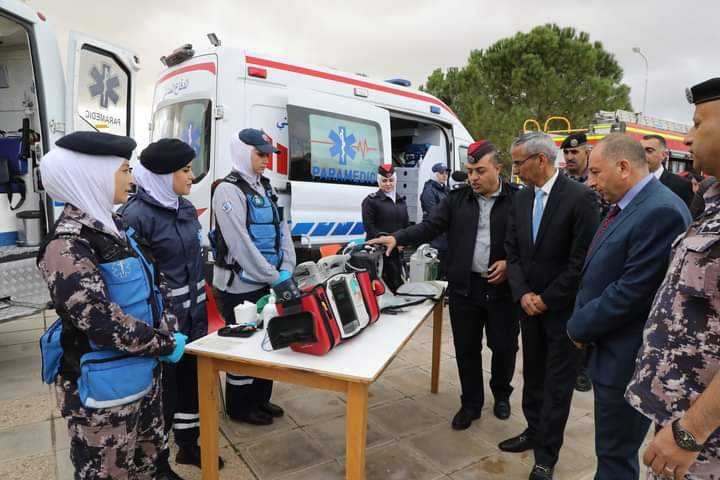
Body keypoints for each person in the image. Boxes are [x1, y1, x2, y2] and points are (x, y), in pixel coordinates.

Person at [37, 131, 186, 480]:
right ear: (93, 175)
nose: (131, 180)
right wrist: (163, 344)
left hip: (143, 375)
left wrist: (168, 325)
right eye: (124, 171)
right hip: (103, 396)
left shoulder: (116, 227)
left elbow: (154, 282)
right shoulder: (67, 244)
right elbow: (99, 320)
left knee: (149, 464)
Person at [369, 139, 519, 429]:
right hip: (465, 288)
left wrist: (511, 265)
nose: (473, 177)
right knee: (466, 349)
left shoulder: (517, 199)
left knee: (504, 348)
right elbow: (429, 227)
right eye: (470, 171)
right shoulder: (457, 199)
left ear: (498, 169)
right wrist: (397, 238)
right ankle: (471, 404)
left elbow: (529, 242)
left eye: (480, 171)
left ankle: (501, 394)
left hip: (502, 290)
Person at [566, 134, 691, 479]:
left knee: (615, 457)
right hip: (610, 352)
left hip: (626, 361)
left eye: (596, 172)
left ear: (623, 167)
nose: (590, 182)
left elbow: (632, 292)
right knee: (610, 452)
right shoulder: (633, 204)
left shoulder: (661, 211)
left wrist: (578, 326)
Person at [626, 77, 720, 480]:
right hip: (680, 418)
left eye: (698, 123)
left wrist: (692, 430)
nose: (688, 137)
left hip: (703, 441)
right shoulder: (713, 203)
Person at [501, 131, 600, 480]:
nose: (514, 170)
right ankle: (533, 430)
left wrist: (546, 298)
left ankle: (546, 455)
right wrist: (523, 293)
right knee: (533, 375)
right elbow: (512, 251)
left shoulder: (581, 198)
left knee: (557, 386)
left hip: (562, 312)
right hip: (528, 308)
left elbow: (580, 261)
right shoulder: (521, 198)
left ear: (540, 160)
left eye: (518, 163)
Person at [120, 139, 224, 470]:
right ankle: (157, 462)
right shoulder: (136, 216)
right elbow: (135, 280)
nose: (191, 176)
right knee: (164, 395)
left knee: (192, 386)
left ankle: (188, 445)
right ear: (164, 175)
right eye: (185, 170)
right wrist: (158, 328)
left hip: (195, 319)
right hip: (163, 326)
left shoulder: (185, 208)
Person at [211, 128, 295, 425]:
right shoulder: (227, 190)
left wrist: (287, 267)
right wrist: (274, 276)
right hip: (239, 287)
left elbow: (283, 230)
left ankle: (260, 399)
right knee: (244, 346)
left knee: (268, 340)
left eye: (267, 155)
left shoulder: (267, 188)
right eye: (260, 154)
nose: (266, 160)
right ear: (242, 152)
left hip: (268, 281)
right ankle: (239, 407)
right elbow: (240, 244)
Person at [560, 132, 603, 393]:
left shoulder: (600, 183)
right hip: (567, 262)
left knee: (588, 314)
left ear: (587, 152)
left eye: (574, 152)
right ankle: (570, 364)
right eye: (566, 152)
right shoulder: (563, 182)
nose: (569, 157)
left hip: (593, 262)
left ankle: (584, 369)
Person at [361, 164, 409, 292]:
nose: (388, 184)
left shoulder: (401, 201)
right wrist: (386, 240)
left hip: (396, 252)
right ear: (379, 181)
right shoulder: (371, 201)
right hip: (378, 253)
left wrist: (402, 242)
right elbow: (369, 227)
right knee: (380, 290)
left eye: (391, 180)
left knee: (398, 286)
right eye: (384, 180)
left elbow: (406, 225)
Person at [641, 134, 695, 207]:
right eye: (640, 150)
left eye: (649, 151)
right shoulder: (630, 180)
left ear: (664, 155)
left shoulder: (682, 185)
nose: (642, 155)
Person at [420, 162, 449, 278]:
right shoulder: (429, 191)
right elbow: (433, 214)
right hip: (435, 236)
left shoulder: (444, 189)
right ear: (434, 174)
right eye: (441, 173)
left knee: (443, 268)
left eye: (446, 173)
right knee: (434, 270)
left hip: (444, 236)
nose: (445, 175)